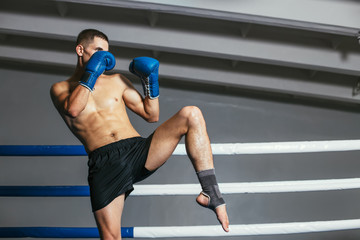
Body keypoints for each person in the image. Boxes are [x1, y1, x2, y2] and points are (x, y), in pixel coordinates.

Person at [50, 29, 229, 239]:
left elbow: (151, 114)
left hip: (137, 151)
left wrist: (149, 82)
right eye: (98, 51)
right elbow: (73, 109)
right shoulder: (60, 88)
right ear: (80, 50)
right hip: (105, 164)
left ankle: (211, 193)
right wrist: (92, 71)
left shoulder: (117, 80)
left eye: (106, 53)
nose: (103, 58)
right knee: (111, 237)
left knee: (192, 114)